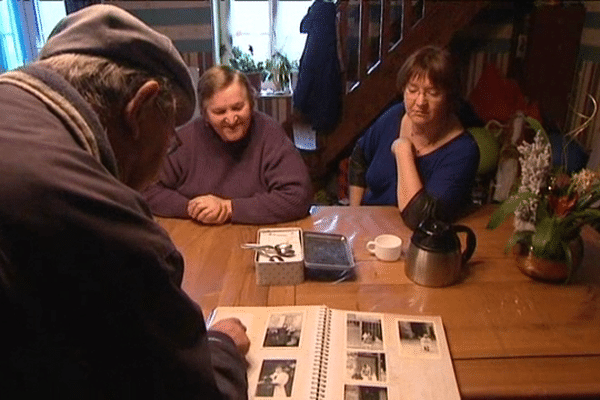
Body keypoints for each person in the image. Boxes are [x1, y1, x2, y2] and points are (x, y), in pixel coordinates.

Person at [0, 5, 249, 399]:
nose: (165, 156)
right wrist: (220, 345)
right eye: (169, 136)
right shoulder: (89, 205)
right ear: (140, 109)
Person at [142, 65, 313, 225]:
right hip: (199, 236)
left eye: (238, 108)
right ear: (205, 115)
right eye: (219, 112)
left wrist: (228, 208)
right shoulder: (184, 140)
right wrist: (191, 208)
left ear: (252, 104)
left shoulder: (270, 134)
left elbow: (299, 197)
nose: (231, 120)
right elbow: (146, 190)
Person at [348, 45, 480, 229]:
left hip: (417, 244)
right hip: (371, 230)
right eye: (412, 90)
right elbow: (359, 155)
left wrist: (403, 151)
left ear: (449, 98)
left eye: (433, 93)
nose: (420, 102)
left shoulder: (463, 151)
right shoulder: (395, 115)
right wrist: (355, 212)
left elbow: (419, 219)